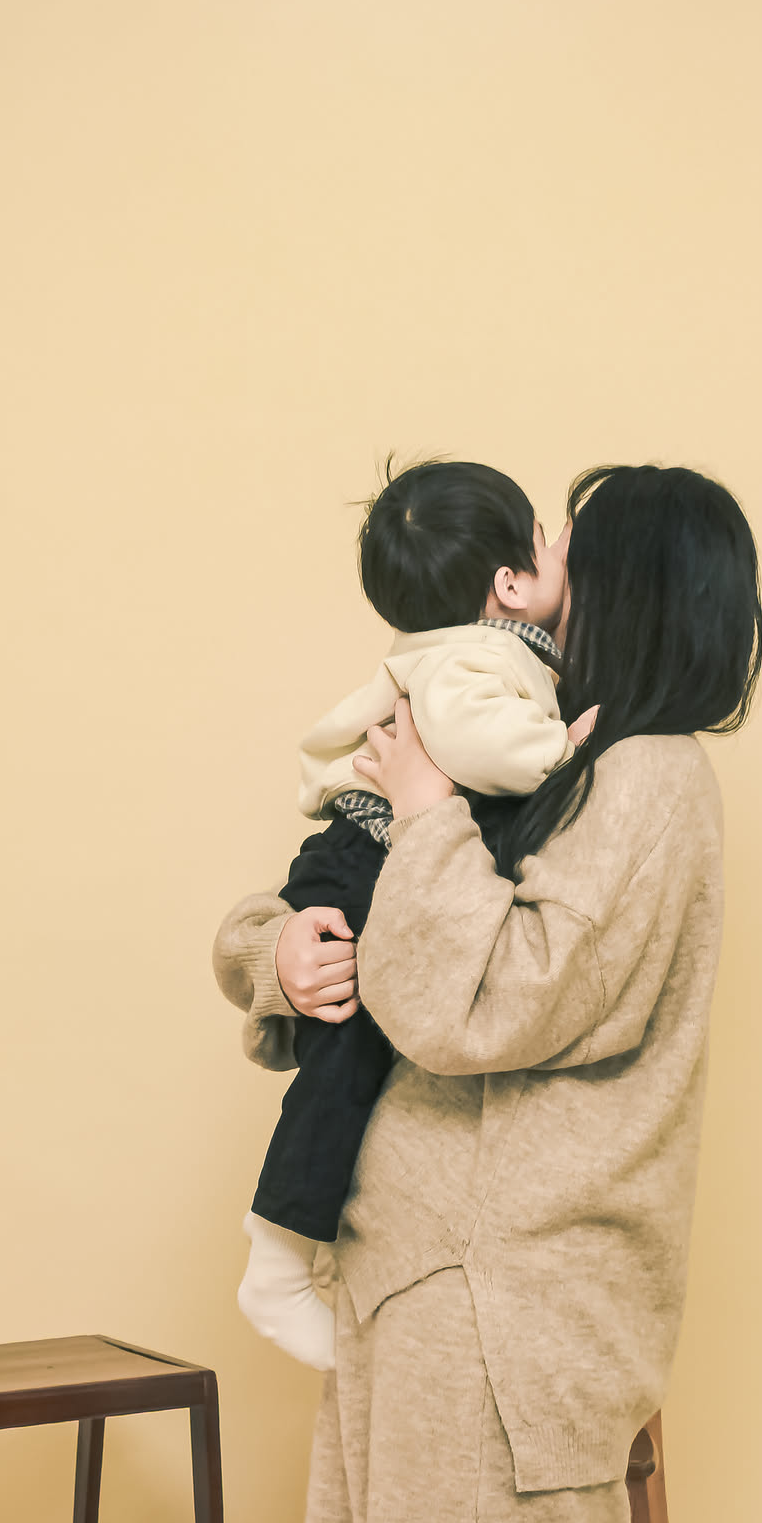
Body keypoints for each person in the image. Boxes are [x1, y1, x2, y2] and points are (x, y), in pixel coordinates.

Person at [214, 462, 762, 1523]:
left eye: (574, 553)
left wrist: (428, 811)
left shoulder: (649, 784)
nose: (542, 572)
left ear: (632, 589)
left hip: (513, 1306)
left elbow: (489, 999)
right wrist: (275, 953)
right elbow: (338, 888)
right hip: (418, 1288)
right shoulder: (540, 743)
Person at [237, 459, 594, 1374]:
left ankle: (284, 1258)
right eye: (547, 540)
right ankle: (276, 1262)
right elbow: (481, 741)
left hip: (361, 854)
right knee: (345, 1060)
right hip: (364, 860)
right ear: (509, 583)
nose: (562, 548)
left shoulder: (455, 648)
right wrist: (561, 748)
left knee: (350, 1060)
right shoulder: (478, 659)